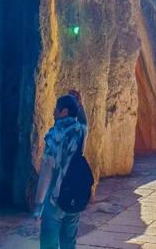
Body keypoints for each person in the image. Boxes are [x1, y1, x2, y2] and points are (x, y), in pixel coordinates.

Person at [33, 90, 88, 248]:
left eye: (56, 108)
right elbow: (85, 124)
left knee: (48, 243)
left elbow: (47, 173)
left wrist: (38, 205)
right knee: (69, 242)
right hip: (74, 196)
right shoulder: (80, 133)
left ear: (64, 111)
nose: (53, 111)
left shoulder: (54, 136)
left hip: (55, 200)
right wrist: (80, 105)